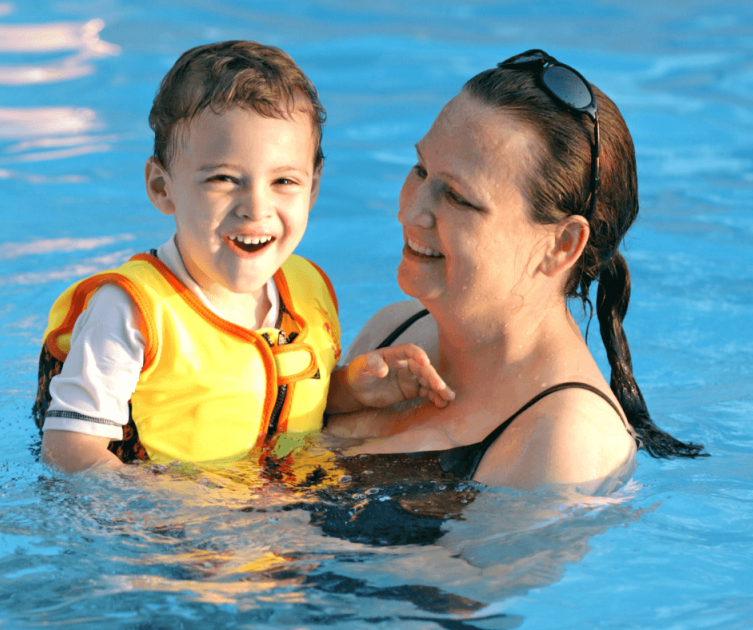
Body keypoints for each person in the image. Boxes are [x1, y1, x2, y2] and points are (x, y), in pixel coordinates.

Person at [32, 41, 453, 473]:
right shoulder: (131, 313)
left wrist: (352, 389)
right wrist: (163, 516)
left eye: (284, 181)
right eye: (223, 179)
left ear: (313, 188)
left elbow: (283, 403)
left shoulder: (307, 289)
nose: (256, 207)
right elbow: (68, 449)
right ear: (162, 188)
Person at [325, 49, 706, 495]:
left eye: (459, 199)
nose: (410, 212)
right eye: (420, 169)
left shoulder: (566, 439)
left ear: (561, 245)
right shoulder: (393, 331)